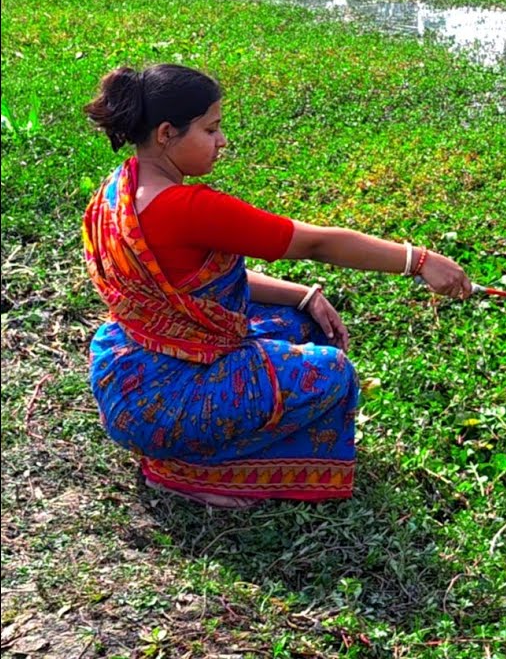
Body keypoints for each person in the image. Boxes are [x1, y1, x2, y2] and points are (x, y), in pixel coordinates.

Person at [80, 63, 473, 509]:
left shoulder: (120, 190)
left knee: (298, 321)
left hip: (128, 377)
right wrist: (419, 261)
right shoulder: (190, 208)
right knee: (333, 373)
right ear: (168, 133)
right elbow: (317, 243)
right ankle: (190, 472)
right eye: (211, 130)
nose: (222, 141)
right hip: (170, 403)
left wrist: (305, 294)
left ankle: (188, 453)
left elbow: (193, 285)